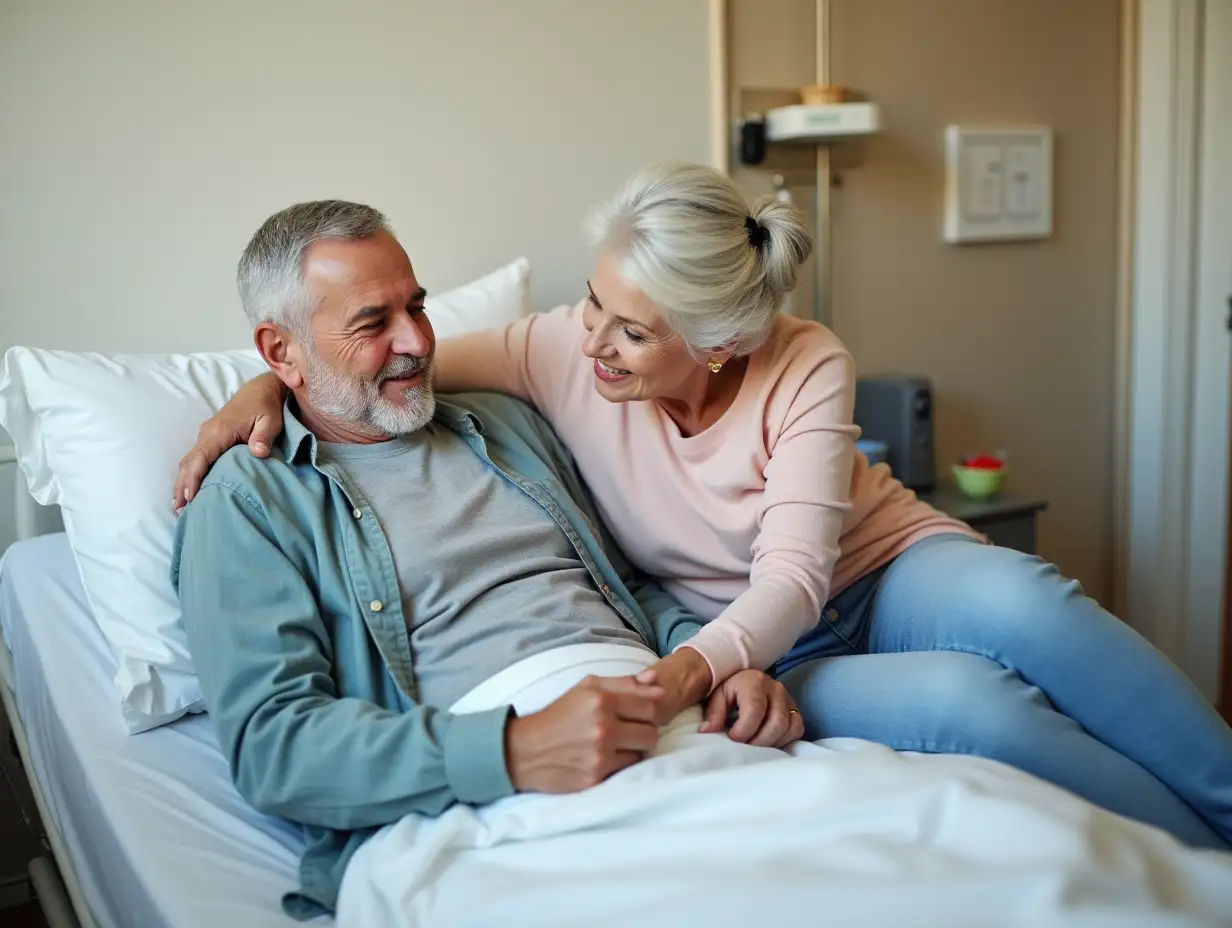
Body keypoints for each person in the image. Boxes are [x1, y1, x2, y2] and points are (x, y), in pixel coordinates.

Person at [177, 163, 1232, 853]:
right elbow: (383, 372)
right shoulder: (537, 362)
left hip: (822, 592)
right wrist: (264, 385)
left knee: (1023, 607)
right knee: (974, 705)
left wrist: (695, 668)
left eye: (628, 331)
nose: (591, 345)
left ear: (717, 340)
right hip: (711, 657)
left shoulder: (786, 363)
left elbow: (754, 581)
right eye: (590, 305)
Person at [172, 199, 805, 918]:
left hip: (676, 719)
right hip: (494, 785)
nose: (415, 340)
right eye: (374, 324)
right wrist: (513, 749)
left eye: (417, 307)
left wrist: (723, 665)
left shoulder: (506, 422)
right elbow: (275, 746)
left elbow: (626, 586)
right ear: (282, 352)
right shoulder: (250, 500)